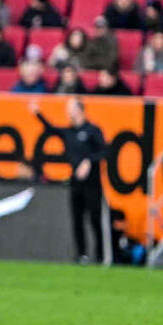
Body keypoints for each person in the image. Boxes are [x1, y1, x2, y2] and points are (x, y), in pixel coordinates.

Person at [30, 98, 108, 263]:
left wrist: (89, 161)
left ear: (80, 110)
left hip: (93, 184)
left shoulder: (93, 131)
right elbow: (51, 129)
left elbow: (104, 151)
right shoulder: (68, 132)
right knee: (77, 219)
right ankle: (82, 254)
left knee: (95, 219)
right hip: (76, 182)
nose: (67, 111)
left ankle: (101, 255)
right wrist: (37, 113)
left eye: (70, 108)